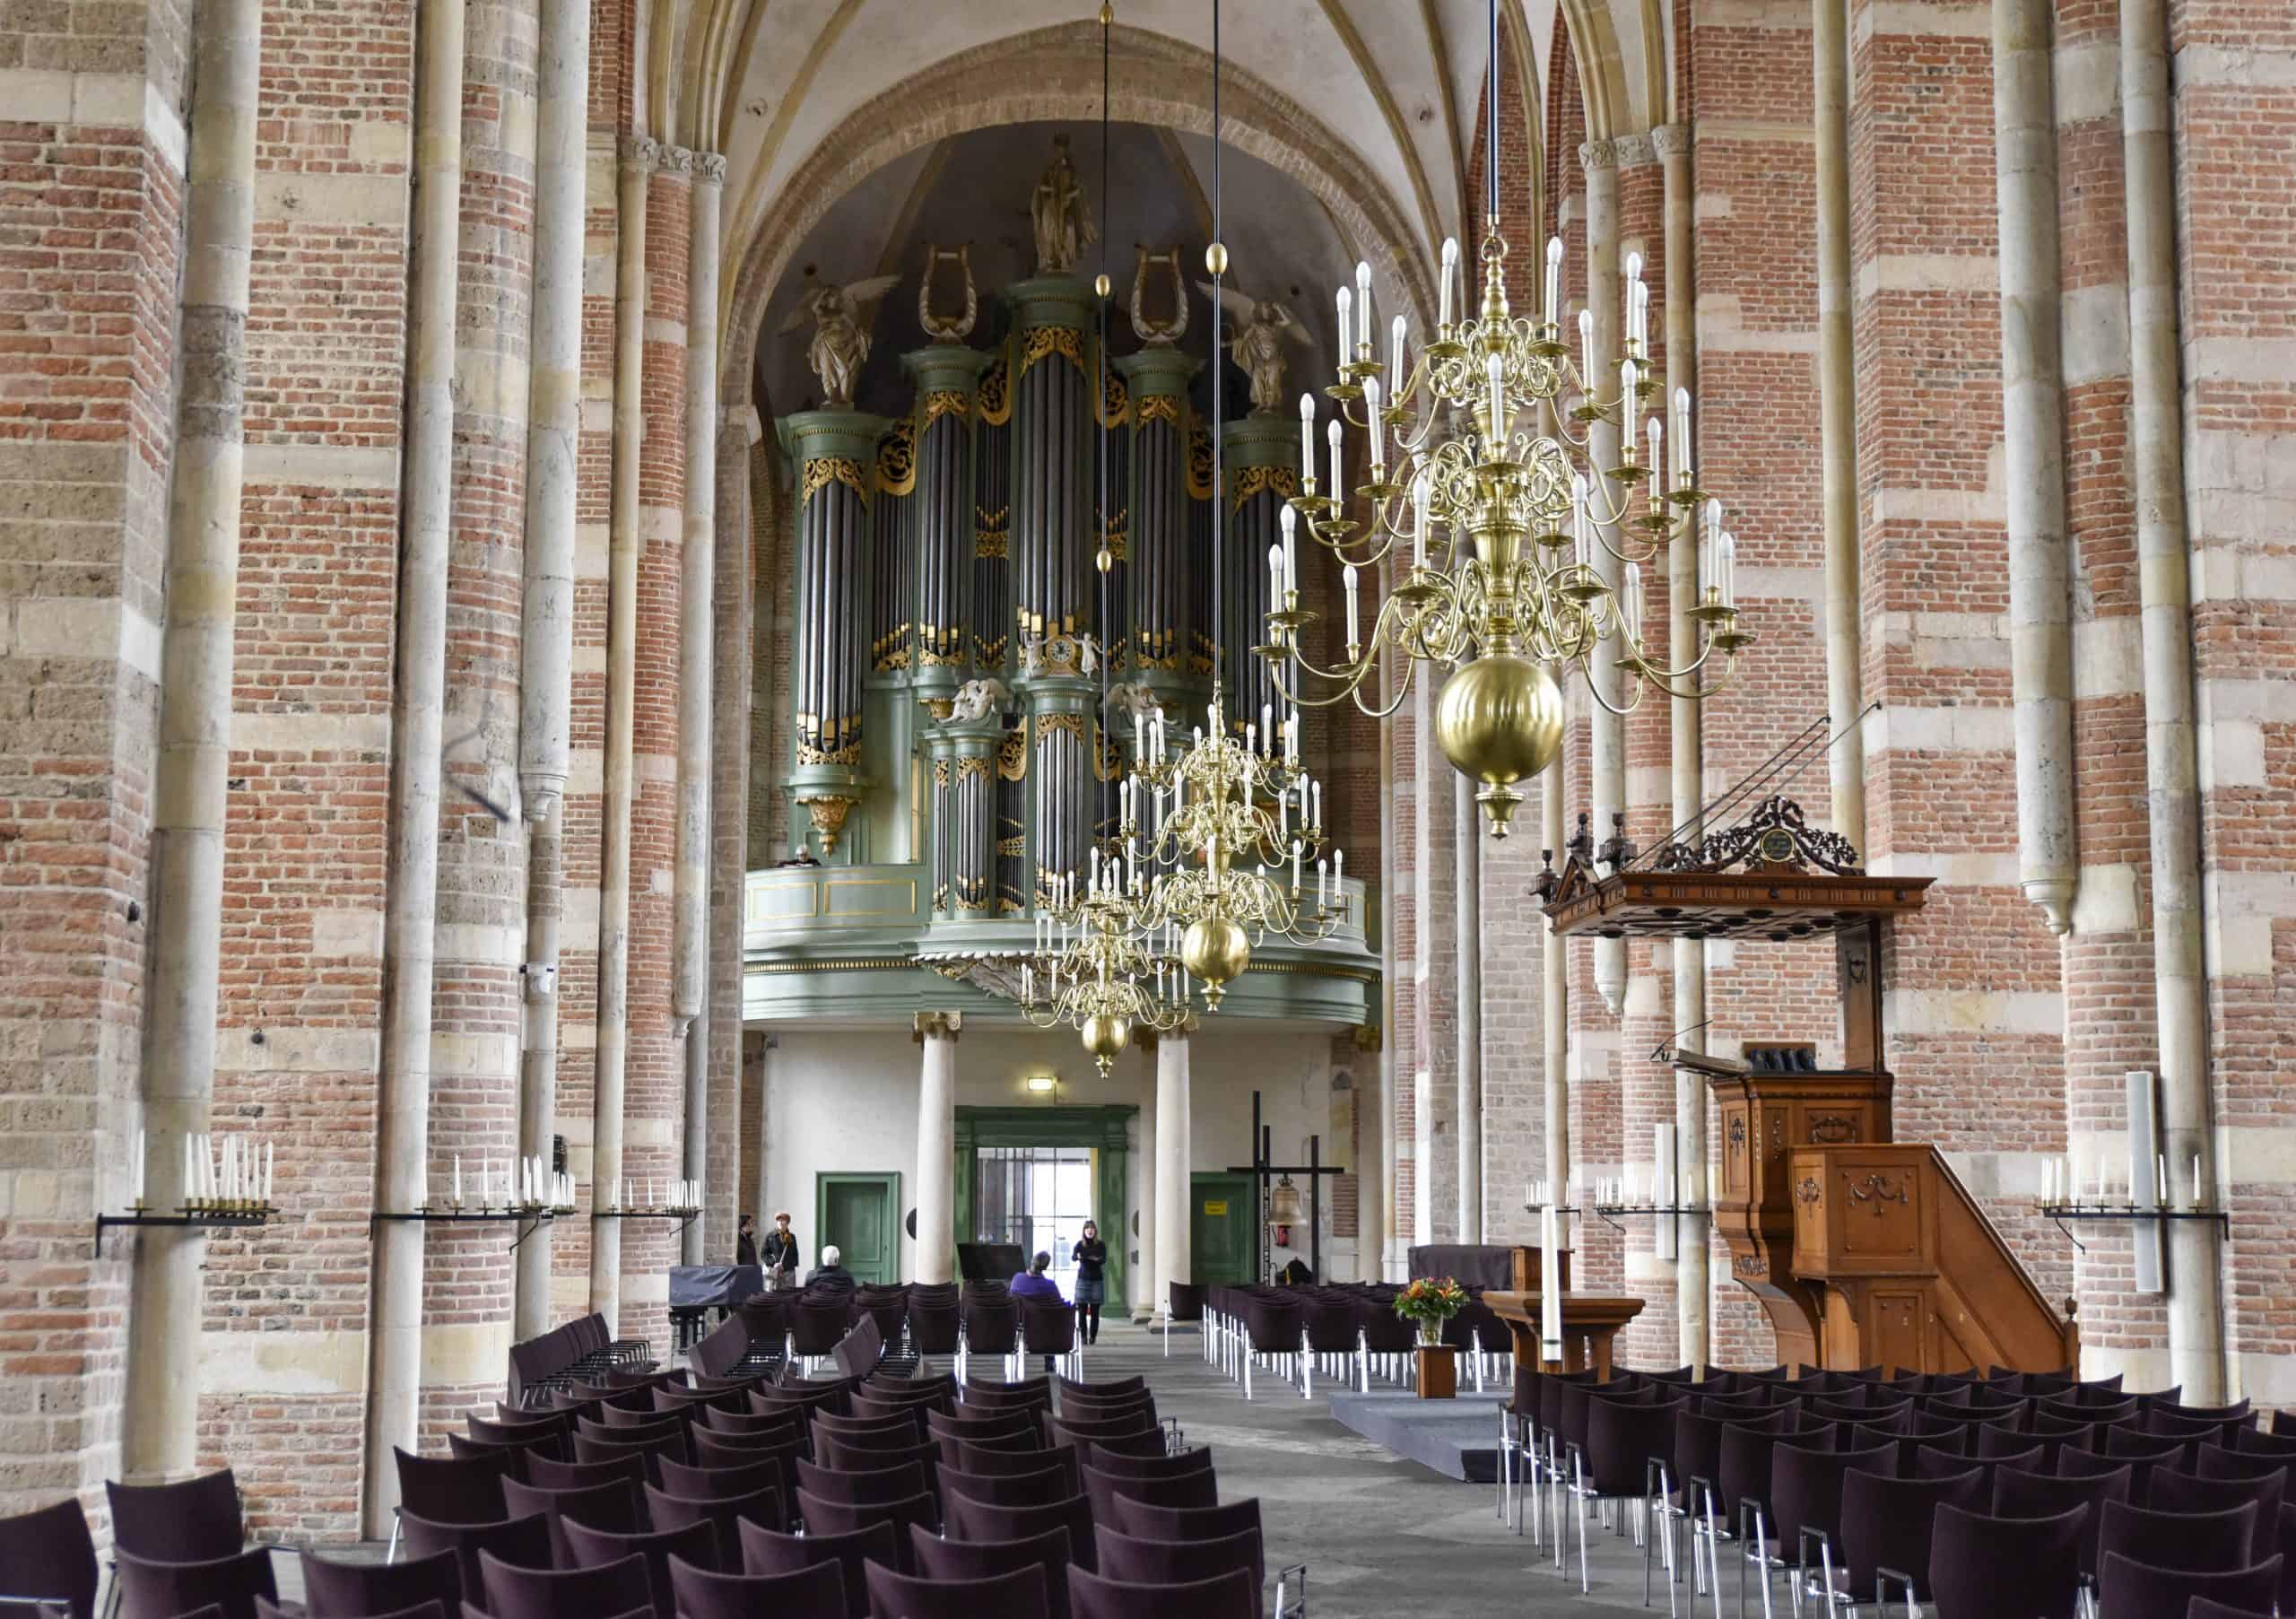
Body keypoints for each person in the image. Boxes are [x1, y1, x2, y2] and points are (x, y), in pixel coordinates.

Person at [1071, 1221, 1108, 1345]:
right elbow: (1073, 1257)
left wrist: (1095, 1259)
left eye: (1092, 1228)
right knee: (1082, 1312)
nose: (1089, 1230)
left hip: (1096, 1280)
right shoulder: (1080, 1244)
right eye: (1087, 1228)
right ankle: (1083, 1337)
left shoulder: (1100, 1244)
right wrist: (1078, 1256)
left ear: (1095, 1231)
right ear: (1084, 1231)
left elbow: (1103, 1259)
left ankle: (1092, 1337)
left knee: (1095, 1312)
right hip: (1083, 1279)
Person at [760, 1210, 800, 1291]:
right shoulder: (771, 1236)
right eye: (778, 1221)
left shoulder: (792, 1237)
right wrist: (774, 1263)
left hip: (789, 1273)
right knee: (774, 1295)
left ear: (787, 1223)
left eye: (783, 1220)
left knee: (789, 1295)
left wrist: (788, 1265)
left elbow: (795, 1255)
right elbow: (764, 1255)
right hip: (775, 1273)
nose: (780, 1223)